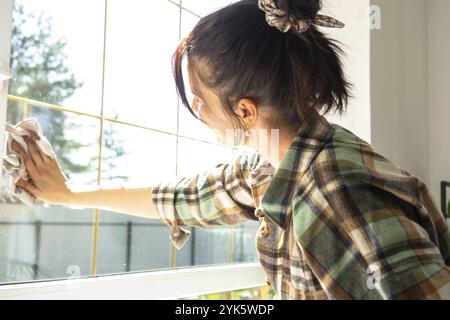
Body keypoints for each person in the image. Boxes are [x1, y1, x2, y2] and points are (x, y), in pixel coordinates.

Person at [11, 0, 450, 299]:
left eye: (197, 99)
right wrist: (65, 195)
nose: (195, 110)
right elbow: (180, 200)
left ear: (244, 111)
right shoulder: (270, 168)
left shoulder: (335, 191)